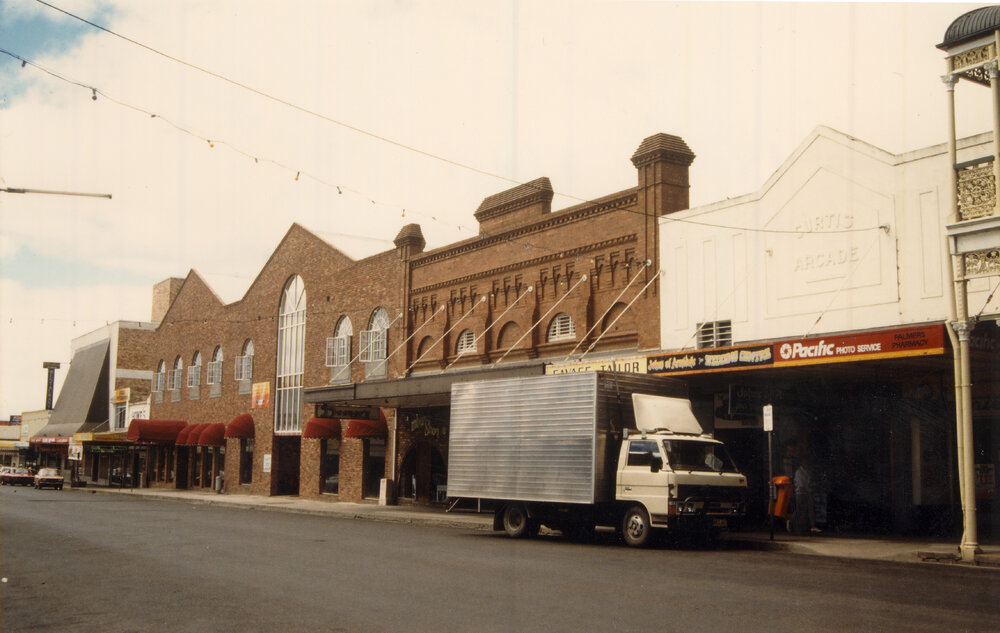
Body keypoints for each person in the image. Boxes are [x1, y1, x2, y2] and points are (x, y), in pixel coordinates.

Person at [794, 458, 821, 534]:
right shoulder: (798, 472)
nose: (806, 464)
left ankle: (812, 526)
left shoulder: (808, 472)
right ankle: (797, 526)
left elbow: (809, 483)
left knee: (810, 508)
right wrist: (807, 493)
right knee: (800, 510)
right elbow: (800, 485)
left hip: (808, 493)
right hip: (800, 493)